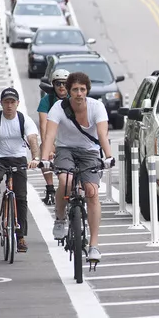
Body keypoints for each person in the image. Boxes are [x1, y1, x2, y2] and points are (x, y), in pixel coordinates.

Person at [40, 72, 115, 262]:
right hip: (65, 150)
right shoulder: (58, 107)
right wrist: (44, 159)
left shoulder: (97, 107)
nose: (79, 93)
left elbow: (102, 134)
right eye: (75, 89)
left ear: (87, 91)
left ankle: (94, 245)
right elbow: (49, 136)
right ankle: (60, 219)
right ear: (69, 91)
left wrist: (109, 156)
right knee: (66, 181)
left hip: (89, 152)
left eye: (82, 89)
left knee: (91, 192)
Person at [0, 88, 40, 253]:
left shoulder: (24, 120)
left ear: (17, 103)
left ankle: (20, 237)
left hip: (18, 157)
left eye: (13, 102)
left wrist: (35, 159)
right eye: (6, 102)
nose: (10, 105)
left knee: (21, 197)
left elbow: (32, 139)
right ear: (2, 104)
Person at [37, 68, 70, 205]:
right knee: (43, 152)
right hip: (53, 135)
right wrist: (48, 147)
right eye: (58, 84)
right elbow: (43, 125)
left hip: (70, 136)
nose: (61, 87)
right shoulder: (46, 101)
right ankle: (50, 188)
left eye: (64, 83)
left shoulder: (74, 98)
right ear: (53, 85)